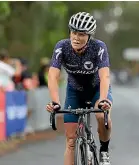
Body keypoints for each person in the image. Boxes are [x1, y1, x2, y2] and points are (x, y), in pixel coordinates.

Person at [46, 12, 113, 165]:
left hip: (97, 90)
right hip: (75, 91)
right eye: (74, 32)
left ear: (89, 36)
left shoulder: (98, 47)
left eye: (81, 34)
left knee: (102, 117)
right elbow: (52, 76)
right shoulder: (62, 47)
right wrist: (55, 102)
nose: (76, 37)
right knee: (70, 140)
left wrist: (103, 99)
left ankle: (104, 150)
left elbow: (105, 77)